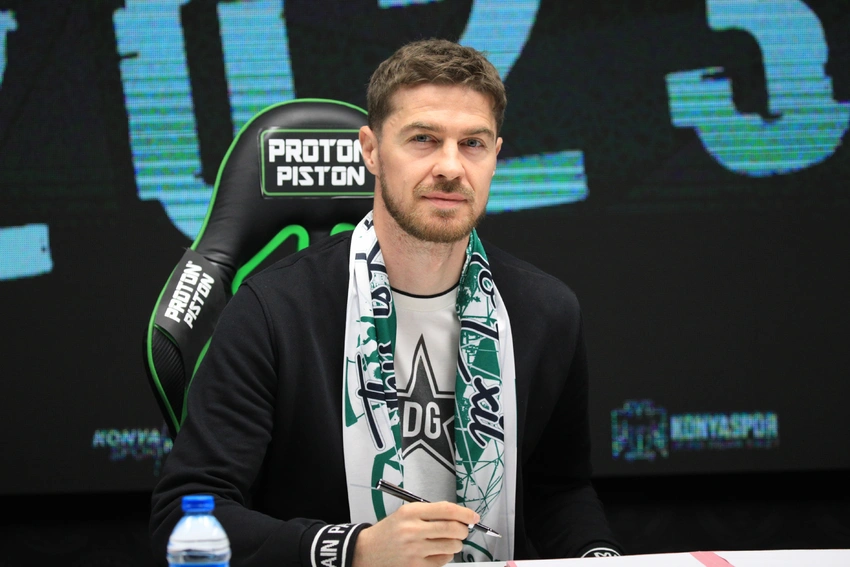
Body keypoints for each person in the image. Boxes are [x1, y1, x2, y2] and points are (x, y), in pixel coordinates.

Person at [149, 38, 622, 566]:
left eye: (473, 143)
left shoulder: (547, 311)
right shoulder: (272, 311)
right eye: (423, 139)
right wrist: (355, 550)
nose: (450, 166)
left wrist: (600, 557)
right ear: (371, 151)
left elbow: (560, 493)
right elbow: (185, 516)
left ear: (495, 156)